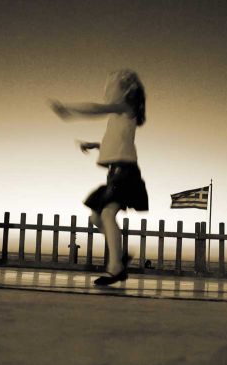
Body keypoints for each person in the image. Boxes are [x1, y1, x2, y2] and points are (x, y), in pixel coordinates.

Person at [50, 69, 148, 285]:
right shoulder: (120, 116)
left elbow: (97, 108)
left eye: (114, 87)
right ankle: (120, 255)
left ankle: (116, 268)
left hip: (126, 172)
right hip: (115, 173)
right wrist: (96, 145)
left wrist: (68, 110)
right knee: (96, 218)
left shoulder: (126, 107)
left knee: (107, 214)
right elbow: (118, 142)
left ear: (126, 91)